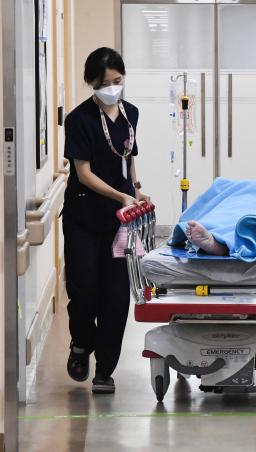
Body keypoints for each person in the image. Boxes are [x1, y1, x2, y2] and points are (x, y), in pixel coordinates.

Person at [63, 47, 149, 394]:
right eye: (103, 83)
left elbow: (127, 160)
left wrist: (136, 190)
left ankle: (105, 370)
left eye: (117, 81)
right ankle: (81, 344)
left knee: (115, 295)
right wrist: (120, 195)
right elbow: (82, 174)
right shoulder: (79, 119)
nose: (112, 88)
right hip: (84, 216)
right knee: (84, 291)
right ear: (91, 84)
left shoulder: (131, 114)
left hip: (120, 220)